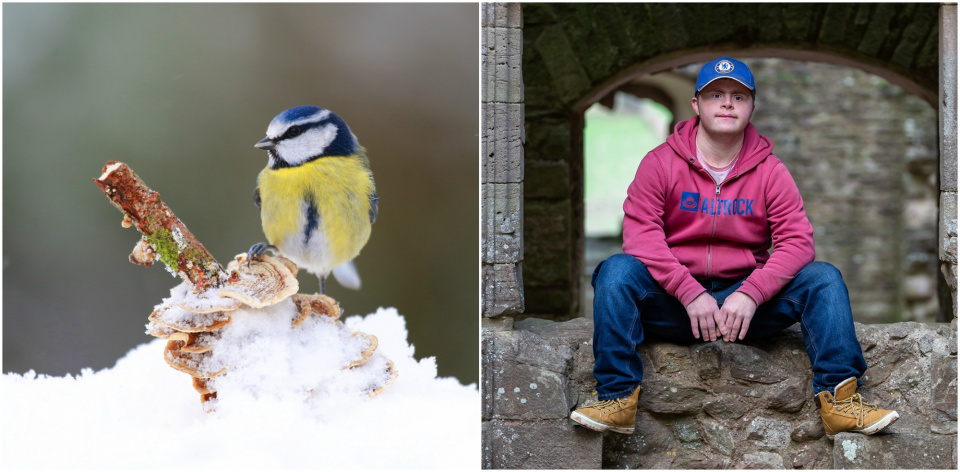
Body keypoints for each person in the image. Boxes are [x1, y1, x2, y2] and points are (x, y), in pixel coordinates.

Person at [569, 57, 899, 439]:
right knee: (616, 271)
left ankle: (840, 401)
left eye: (738, 96)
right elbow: (642, 235)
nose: (727, 103)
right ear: (697, 104)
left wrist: (751, 293)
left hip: (744, 310)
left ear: (751, 107)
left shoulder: (771, 171)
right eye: (716, 94)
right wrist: (688, 292)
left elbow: (796, 241)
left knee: (823, 278)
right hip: (675, 304)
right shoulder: (659, 164)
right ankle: (617, 399)